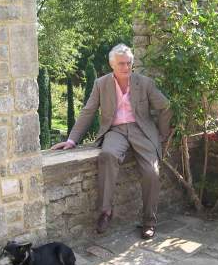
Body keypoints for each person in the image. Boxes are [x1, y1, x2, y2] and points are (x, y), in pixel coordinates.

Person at [51, 44, 172, 239]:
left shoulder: (145, 83)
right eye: (121, 64)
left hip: (141, 130)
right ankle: (105, 212)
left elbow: (165, 106)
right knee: (107, 155)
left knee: (152, 172)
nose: (126, 67)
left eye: (129, 63)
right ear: (112, 65)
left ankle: (149, 221)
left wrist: (162, 134)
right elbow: (88, 111)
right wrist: (72, 140)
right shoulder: (101, 84)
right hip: (115, 130)